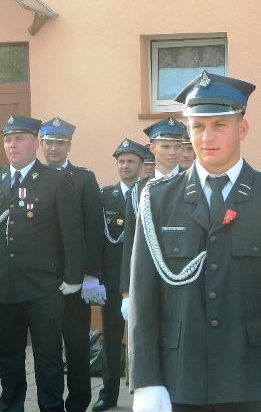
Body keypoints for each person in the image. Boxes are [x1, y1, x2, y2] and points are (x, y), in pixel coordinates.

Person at [128, 71, 261, 411]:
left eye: (219, 125)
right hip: (179, 380)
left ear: (242, 128)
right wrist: (145, 381)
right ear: (188, 130)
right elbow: (143, 298)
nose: (207, 137)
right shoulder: (157, 200)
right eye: (198, 126)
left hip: (254, 380)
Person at [0, 114, 85, 411]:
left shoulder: (56, 180)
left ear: (36, 143)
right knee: (8, 356)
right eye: (8, 139)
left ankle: (51, 407)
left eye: (19, 139)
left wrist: (73, 277)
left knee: (48, 356)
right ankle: (11, 406)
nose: (12, 145)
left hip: (43, 286)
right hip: (5, 285)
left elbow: (72, 232)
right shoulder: (0, 179)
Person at [40, 116, 106, 412]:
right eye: (49, 143)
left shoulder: (83, 179)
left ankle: (78, 403)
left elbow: (93, 228)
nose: (54, 148)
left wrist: (90, 275)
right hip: (42, 280)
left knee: (77, 345)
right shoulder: (34, 178)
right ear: (41, 144)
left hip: (76, 279)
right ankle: (51, 403)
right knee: (48, 348)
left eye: (60, 143)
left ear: (69, 146)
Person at [92, 138, 146, 411]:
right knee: (111, 342)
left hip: (145, 281)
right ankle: (108, 394)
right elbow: (97, 240)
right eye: (121, 161)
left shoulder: (150, 193)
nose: (125, 166)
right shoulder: (104, 197)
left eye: (131, 161)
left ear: (141, 165)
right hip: (113, 282)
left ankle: (145, 395)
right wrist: (95, 277)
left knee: (147, 340)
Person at [119, 116, 185, 319]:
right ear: (152, 148)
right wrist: (126, 293)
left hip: (184, 276)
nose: (173, 152)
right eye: (166, 146)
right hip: (147, 275)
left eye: (178, 146)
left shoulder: (193, 184)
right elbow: (130, 241)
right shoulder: (138, 190)